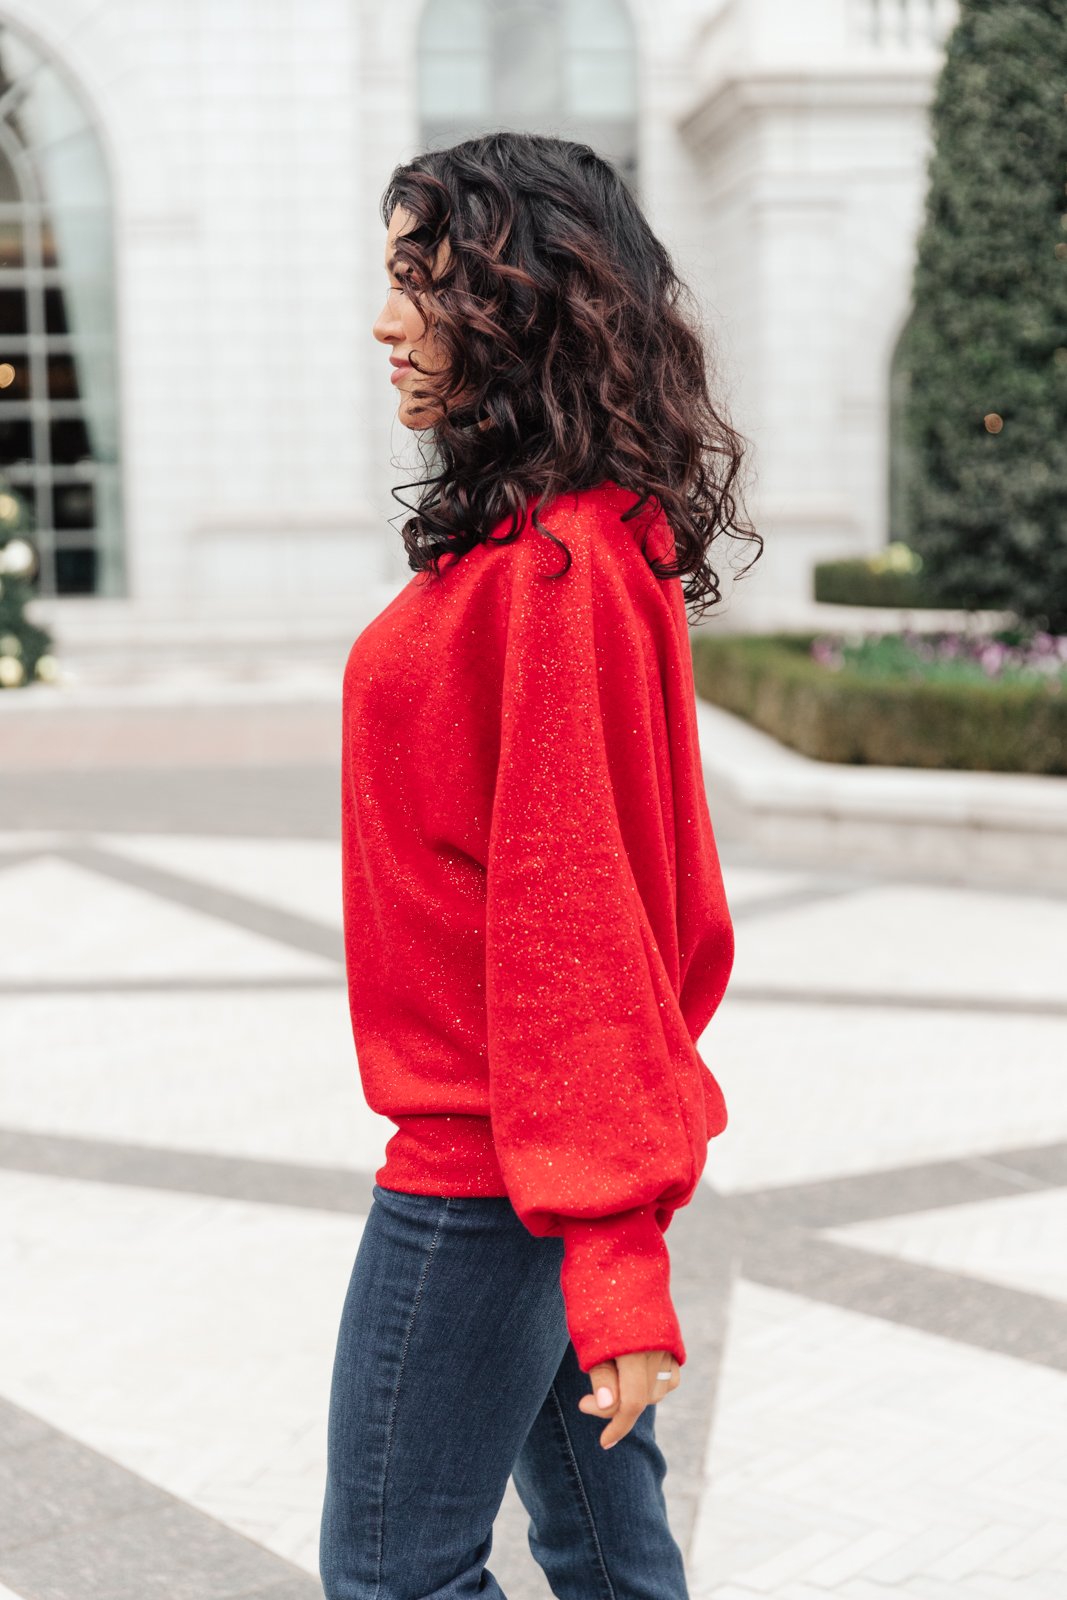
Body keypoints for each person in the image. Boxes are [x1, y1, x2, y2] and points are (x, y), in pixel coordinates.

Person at [319, 129, 761, 1600]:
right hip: (540, 1160)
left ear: (522, 298)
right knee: (603, 1549)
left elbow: (591, 922)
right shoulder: (553, 545)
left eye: (419, 278)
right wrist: (607, 1215)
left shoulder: (561, 570)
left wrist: (616, 1243)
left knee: (396, 1574)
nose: (387, 320)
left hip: (486, 1171)